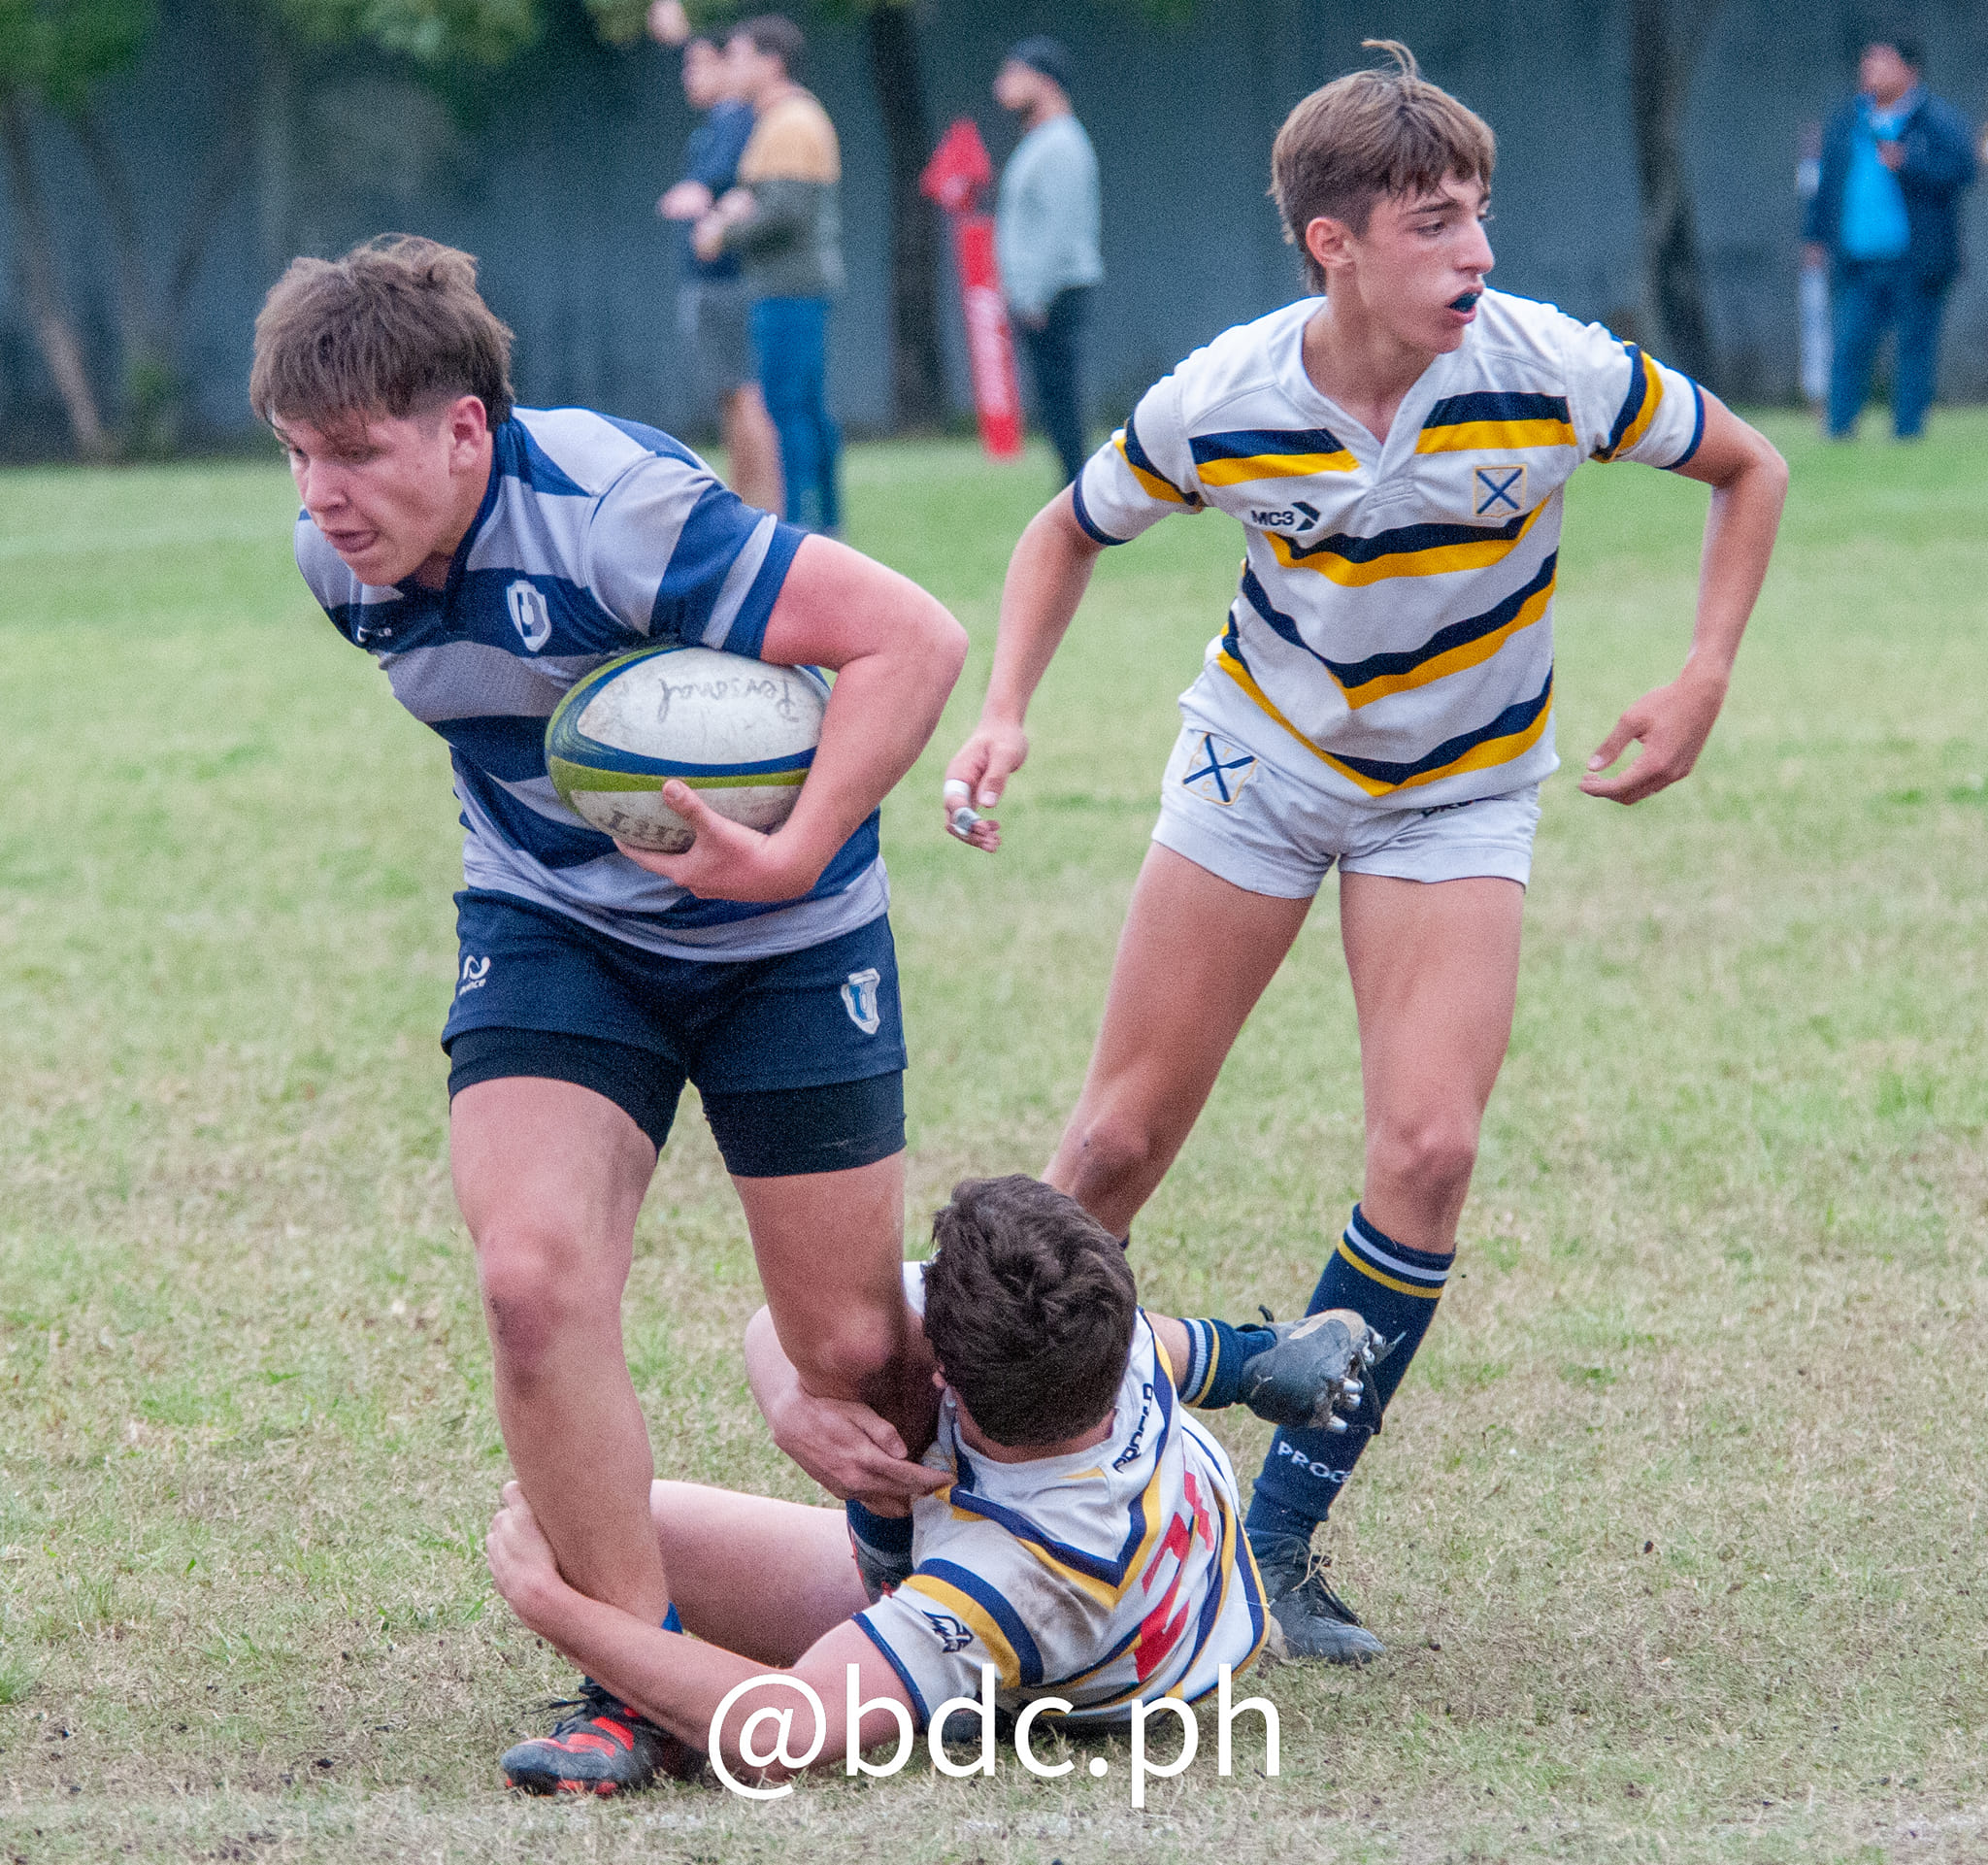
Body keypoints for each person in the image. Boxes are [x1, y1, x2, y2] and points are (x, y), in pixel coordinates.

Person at [943, 45, 1787, 1664]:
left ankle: (1271, 1538)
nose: (1473, 252)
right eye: (1429, 224)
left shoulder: (1552, 369)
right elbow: (1063, 529)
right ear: (1331, 244)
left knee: (1426, 1150)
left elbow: (1743, 467)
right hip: (1258, 766)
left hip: (1455, 791)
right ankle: (966, 1463)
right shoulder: (1228, 397)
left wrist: (1700, 676)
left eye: (1476, 217)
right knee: (1113, 1144)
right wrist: (1002, 709)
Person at [249, 233, 969, 1791]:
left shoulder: (616, 515)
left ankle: (970, 1587)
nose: (321, 497)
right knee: (530, 1277)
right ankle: (627, 1678)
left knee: (848, 1348)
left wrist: (779, 853)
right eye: (299, 455)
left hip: (787, 929)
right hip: (559, 924)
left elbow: (913, 639)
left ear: (466, 428)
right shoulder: (341, 565)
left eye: (356, 452)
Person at [486, 1174, 1384, 1781]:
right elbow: (1178, 1348)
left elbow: (780, 1734)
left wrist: (552, 1606)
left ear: (942, 1376)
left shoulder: (1021, 1575)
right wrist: (1262, 1359)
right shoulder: (1098, 1333)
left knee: (570, 1557)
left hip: (1085, 1670)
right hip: (1151, 1564)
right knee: (600, 1513)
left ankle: (658, 1710)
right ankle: (676, 1682)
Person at [694, 16, 845, 534]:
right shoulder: (778, 118)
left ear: (771, 62)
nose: (731, 67)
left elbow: (786, 212)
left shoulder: (793, 122)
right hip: (790, 286)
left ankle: (804, 523)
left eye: (739, 55)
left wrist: (724, 232)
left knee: (789, 406)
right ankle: (823, 518)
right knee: (803, 404)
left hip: (790, 287)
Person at [1803, 34, 1976, 440]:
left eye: (1882, 64)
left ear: (1909, 70)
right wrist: (1814, 237)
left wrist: (1909, 163)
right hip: (1857, 256)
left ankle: (1907, 432)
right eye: (1867, 64)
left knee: (1914, 349)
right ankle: (1840, 428)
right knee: (1850, 344)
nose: (1871, 73)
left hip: (1916, 259)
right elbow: (1826, 186)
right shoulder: (1848, 120)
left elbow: (1963, 171)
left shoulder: (1937, 120)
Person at [652, 8, 783, 513]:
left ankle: (766, 508)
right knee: (731, 396)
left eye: (697, 65)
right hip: (709, 280)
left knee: (748, 394)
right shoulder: (716, 126)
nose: (688, 77)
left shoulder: (741, 121)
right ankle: (745, 504)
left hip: (732, 280)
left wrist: (701, 197)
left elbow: (734, 189)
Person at [993, 36, 1104, 488]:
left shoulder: (1060, 143)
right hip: (1042, 291)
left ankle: (1077, 485)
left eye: (1013, 74)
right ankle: (1072, 483)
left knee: (1060, 395)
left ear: (1043, 81)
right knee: (1052, 394)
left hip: (1055, 291)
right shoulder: (1041, 140)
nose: (1001, 86)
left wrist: (1034, 295)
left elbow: (1059, 225)